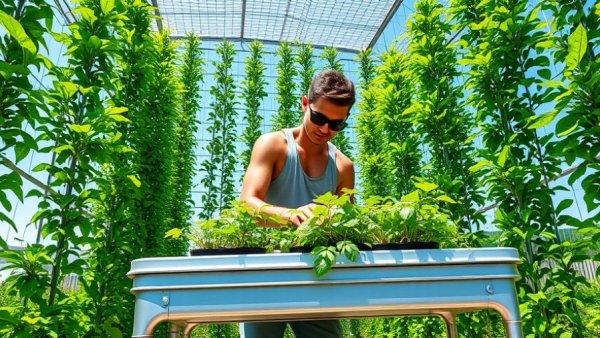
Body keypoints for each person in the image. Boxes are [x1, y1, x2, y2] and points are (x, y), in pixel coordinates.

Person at [239, 70, 356, 338]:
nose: (325, 129)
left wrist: (332, 220)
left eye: (336, 125)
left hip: (317, 276)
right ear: (304, 104)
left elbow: (346, 227)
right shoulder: (274, 145)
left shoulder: (343, 167)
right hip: (265, 276)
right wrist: (291, 215)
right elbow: (247, 203)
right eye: (319, 118)